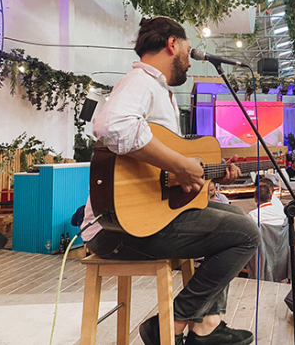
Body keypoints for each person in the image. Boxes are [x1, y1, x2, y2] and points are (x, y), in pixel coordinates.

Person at [81, 17, 258, 345]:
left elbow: (162, 176)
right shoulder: (141, 81)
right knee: (246, 235)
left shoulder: (160, 91)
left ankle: (207, 323)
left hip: (139, 222)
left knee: (236, 219)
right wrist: (179, 164)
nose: (190, 62)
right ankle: (171, 323)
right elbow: (113, 126)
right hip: (115, 229)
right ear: (172, 44)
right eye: (188, 51)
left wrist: (206, 177)